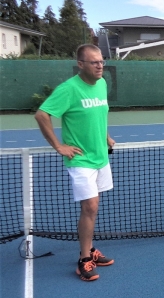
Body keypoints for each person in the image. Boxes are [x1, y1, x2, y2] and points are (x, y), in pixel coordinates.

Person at [34, 44, 115, 282]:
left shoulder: (101, 84)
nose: (100, 66)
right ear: (81, 64)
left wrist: (106, 136)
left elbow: (99, 114)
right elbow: (42, 114)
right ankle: (83, 260)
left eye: (102, 61)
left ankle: (90, 250)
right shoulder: (69, 89)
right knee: (89, 207)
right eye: (94, 62)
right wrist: (59, 146)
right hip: (80, 159)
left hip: (100, 156)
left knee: (94, 206)